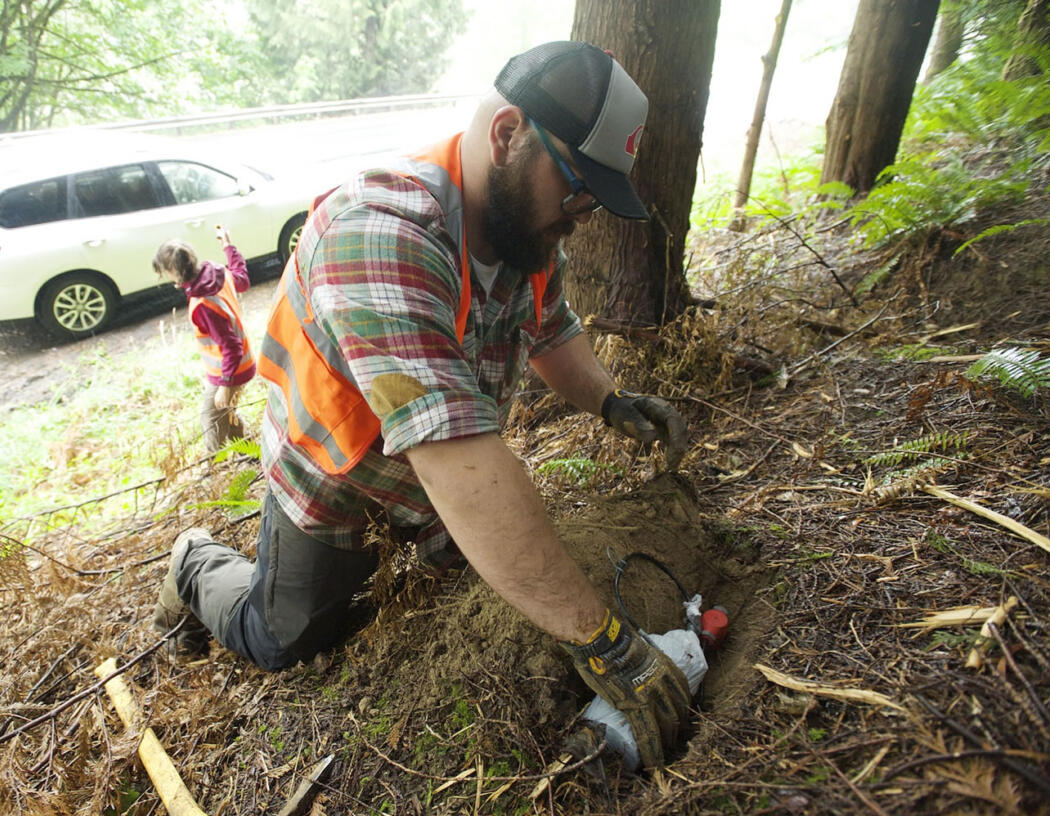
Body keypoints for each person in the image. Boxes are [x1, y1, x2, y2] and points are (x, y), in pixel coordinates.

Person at [153, 41, 692, 769]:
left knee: (500, 591)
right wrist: (603, 643)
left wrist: (610, 401)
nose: (583, 218)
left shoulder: (522, 227)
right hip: (339, 478)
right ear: (507, 135)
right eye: (577, 192)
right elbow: (456, 460)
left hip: (430, 485)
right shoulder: (380, 235)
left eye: (595, 200)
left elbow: (551, 326)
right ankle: (193, 563)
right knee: (286, 635)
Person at [152, 227, 256, 452]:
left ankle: (214, 468)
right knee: (226, 413)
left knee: (210, 420)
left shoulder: (203, 305)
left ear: (173, 270)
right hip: (243, 364)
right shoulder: (217, 271)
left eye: (165, 272)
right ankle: (251, 453)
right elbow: (242, 280)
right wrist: (228, 247)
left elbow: (231, 346)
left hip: (230, 371)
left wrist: (226, 385)